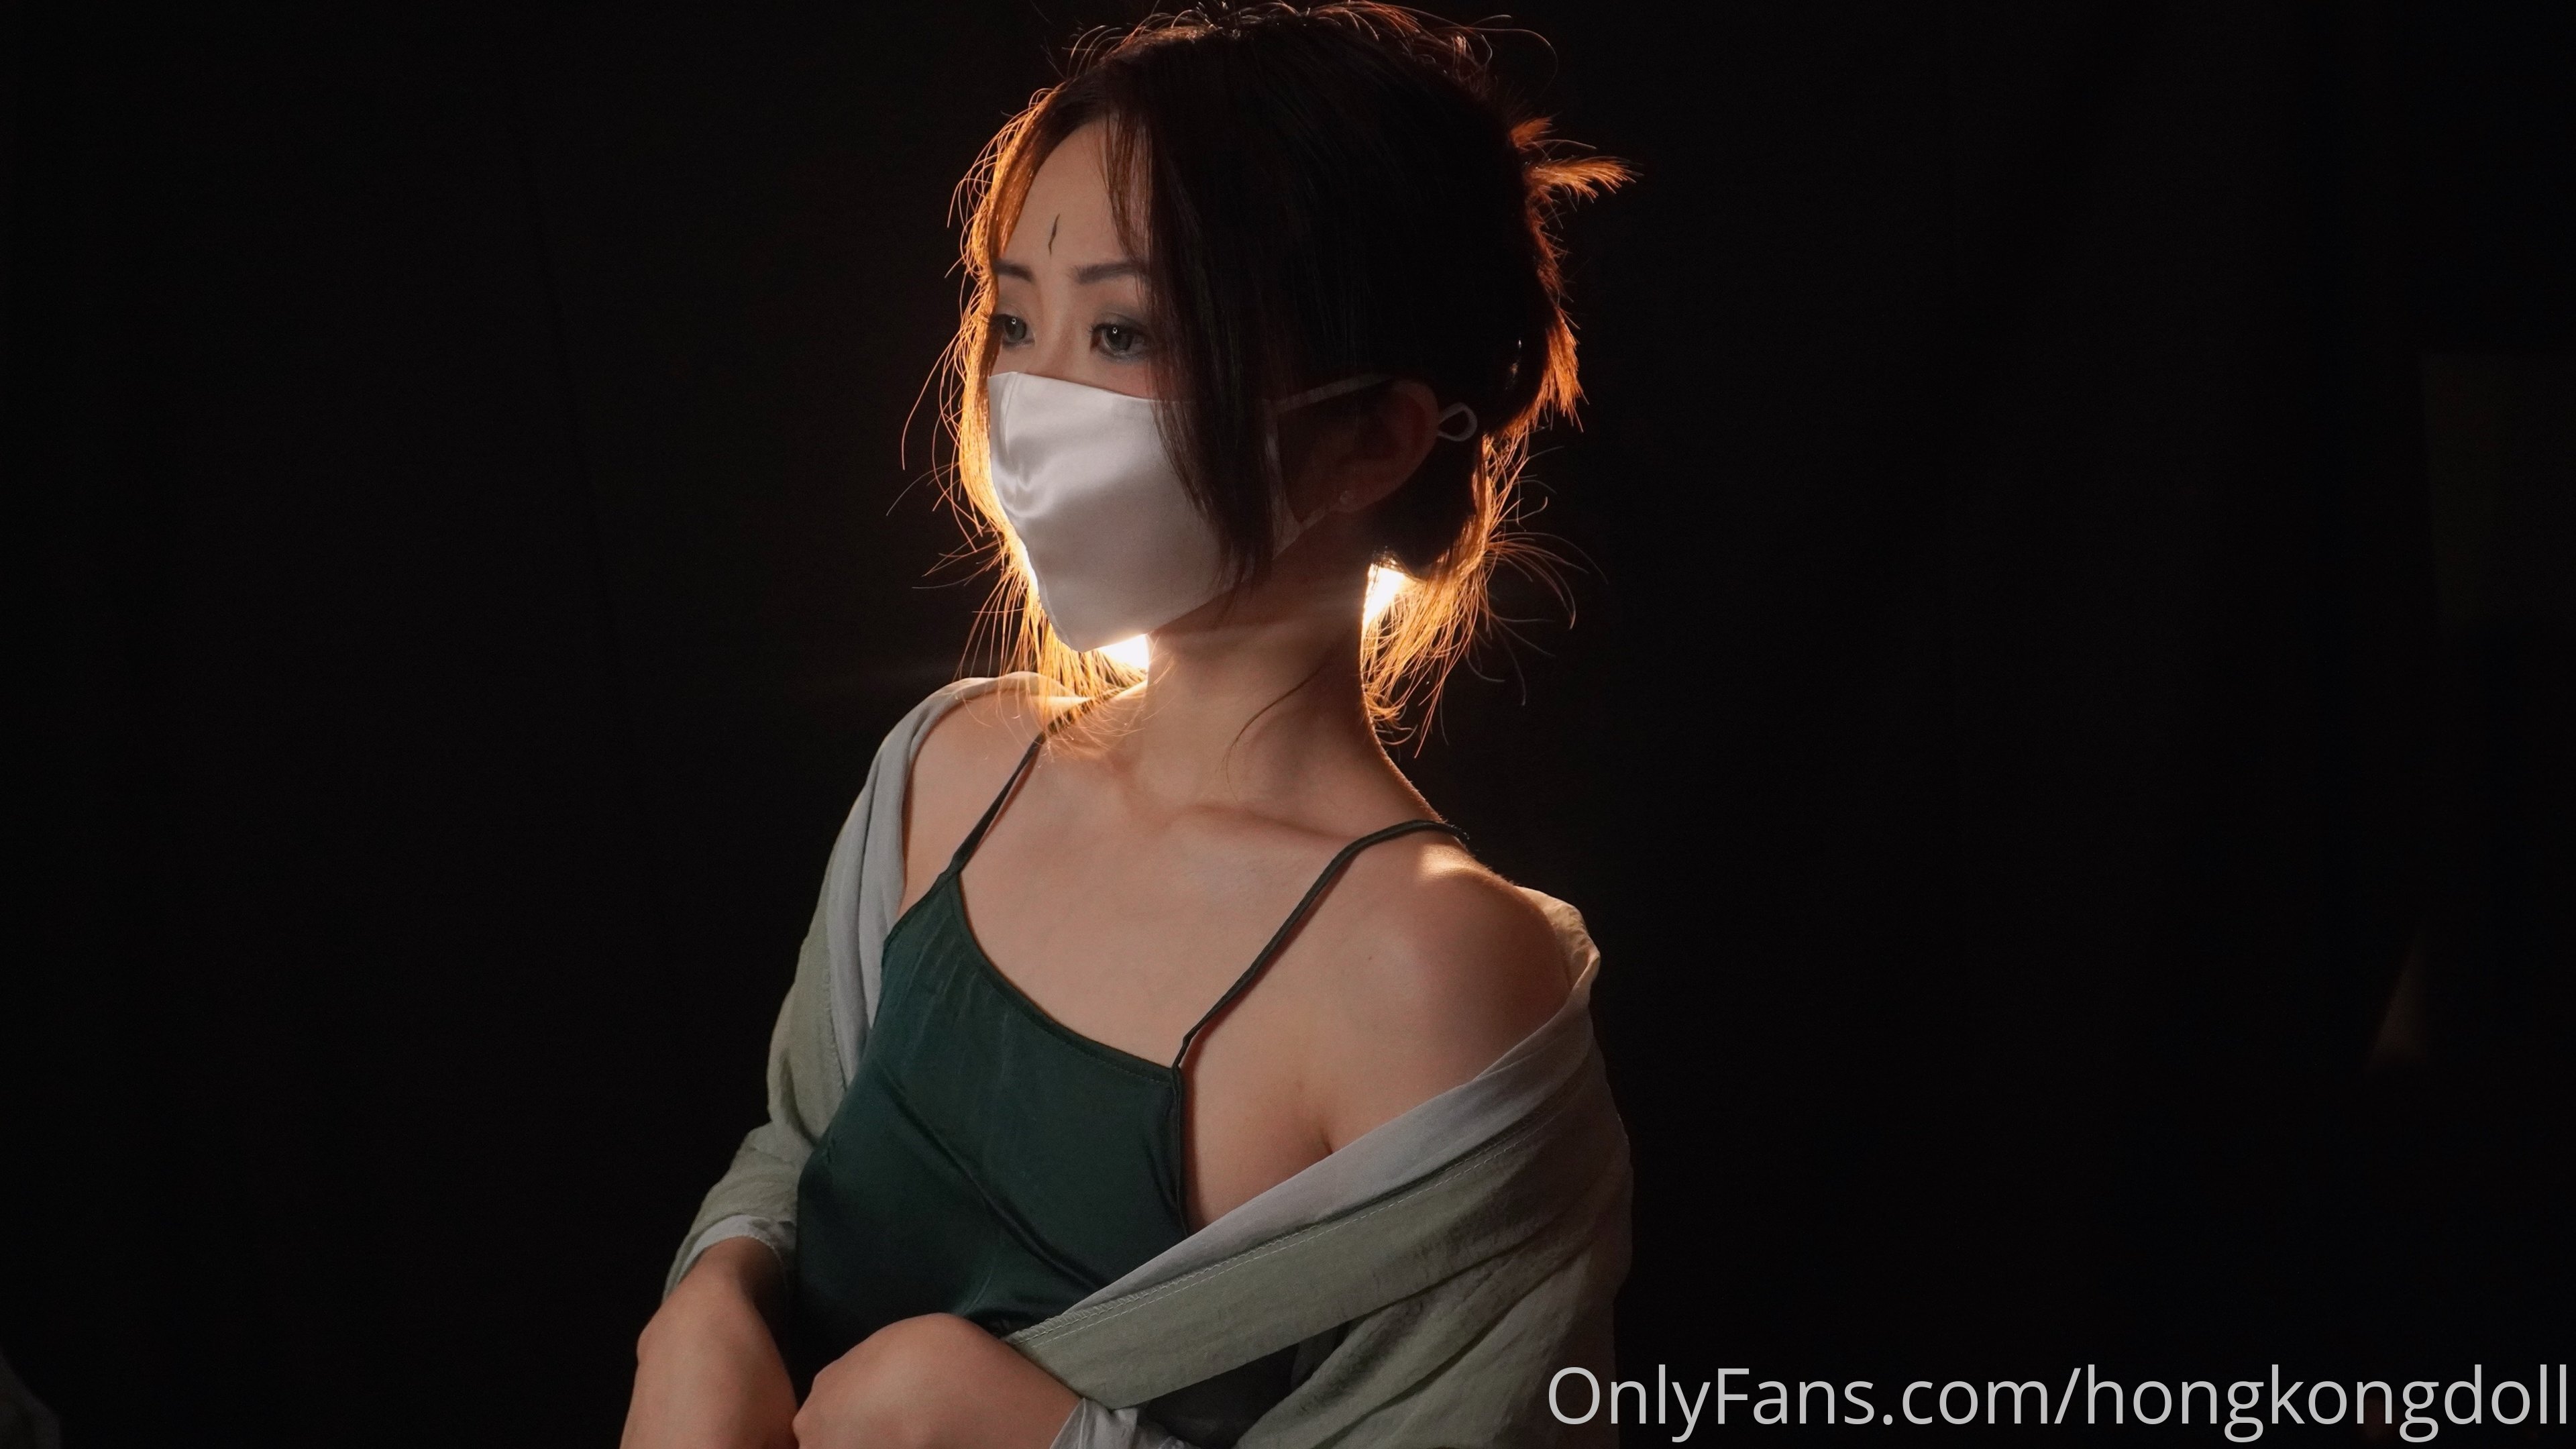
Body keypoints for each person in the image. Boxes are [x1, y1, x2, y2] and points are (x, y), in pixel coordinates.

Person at [621, 7, 1630, 1446]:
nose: (1030, 399)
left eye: (1122, 331)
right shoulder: (949, 769)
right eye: (1013, 320)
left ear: (1372, 436)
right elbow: (795, 1151)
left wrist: (1022, 1429)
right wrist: (712, 1301)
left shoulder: (1431, 964)